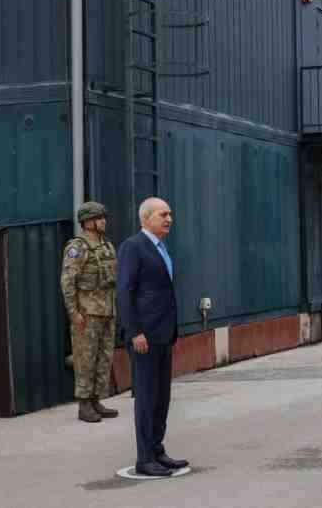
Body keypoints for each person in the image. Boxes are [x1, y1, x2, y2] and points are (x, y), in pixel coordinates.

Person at [116, 197, 189, 477]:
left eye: (170, 214)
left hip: (162, 334)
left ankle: (157, 450)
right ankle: (145, 458)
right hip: (144, 337)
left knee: (161, 397)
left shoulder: (161, 247)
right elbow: (124, 292)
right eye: (163, 214)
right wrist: (134, 331)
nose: (169, 219)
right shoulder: (133, 247)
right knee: (147, 398)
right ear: (146, 218)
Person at [60, 201, 119, 423]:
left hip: (107, 311)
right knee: (85, 358)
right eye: (98, 218)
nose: (103, 221)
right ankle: (84, 404)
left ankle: (96, 399)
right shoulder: (78, 247)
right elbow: (67, 282)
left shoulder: (106, 246)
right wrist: (73, 313)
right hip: (87, 314)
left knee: (104, 357)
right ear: (87, 222)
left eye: (103, 218)